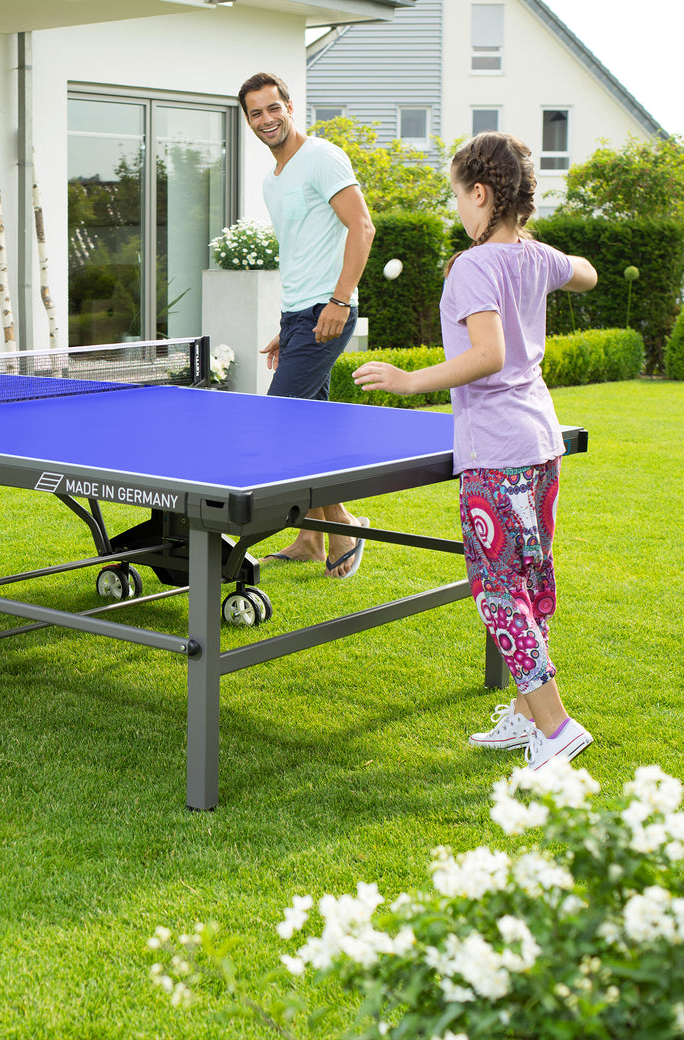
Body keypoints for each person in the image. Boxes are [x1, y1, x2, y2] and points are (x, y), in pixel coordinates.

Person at [352, 132, 598, 769]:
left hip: (497, 451)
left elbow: (487, 356)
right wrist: (538, 255)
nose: (458, 208)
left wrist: (409, 381)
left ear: (482, 194)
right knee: (530, 576)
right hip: (541, 446)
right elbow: (589, 274)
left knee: (497, 589)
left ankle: (555, 729)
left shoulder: (473, 265)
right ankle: (525, 717)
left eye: (459, 196)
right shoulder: (533, 257)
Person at [238, 72, 375, 577]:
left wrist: (339, 301)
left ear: (290, 106)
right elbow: (302, 252)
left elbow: (362, 226)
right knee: (309, 432)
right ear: (248, 120)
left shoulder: (321, 156)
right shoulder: (273, 179)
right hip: (301, 315)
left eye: (273, 108)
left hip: (327, 310)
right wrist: (289, 324)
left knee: (281, 425)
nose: (266, 119)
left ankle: (342, 525)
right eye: (256, 113)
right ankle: (312, 539)